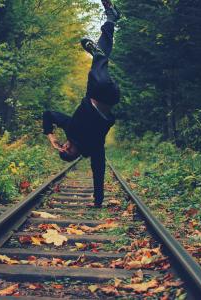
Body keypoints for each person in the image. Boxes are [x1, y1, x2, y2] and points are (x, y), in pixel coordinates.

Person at [42, 0, 121, 208]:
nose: (66, 146)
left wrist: (50, 136)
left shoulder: (69, 128)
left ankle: (111, 18)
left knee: (100, 61)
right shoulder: (93, 149)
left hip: (94, 89)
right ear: (75, 156)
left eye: (63, 147)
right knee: (100, 61)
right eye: (67, 151)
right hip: (108, 95)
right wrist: (98, 202)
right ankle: (104, 37)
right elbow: (99, 171)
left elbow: (49, 113)